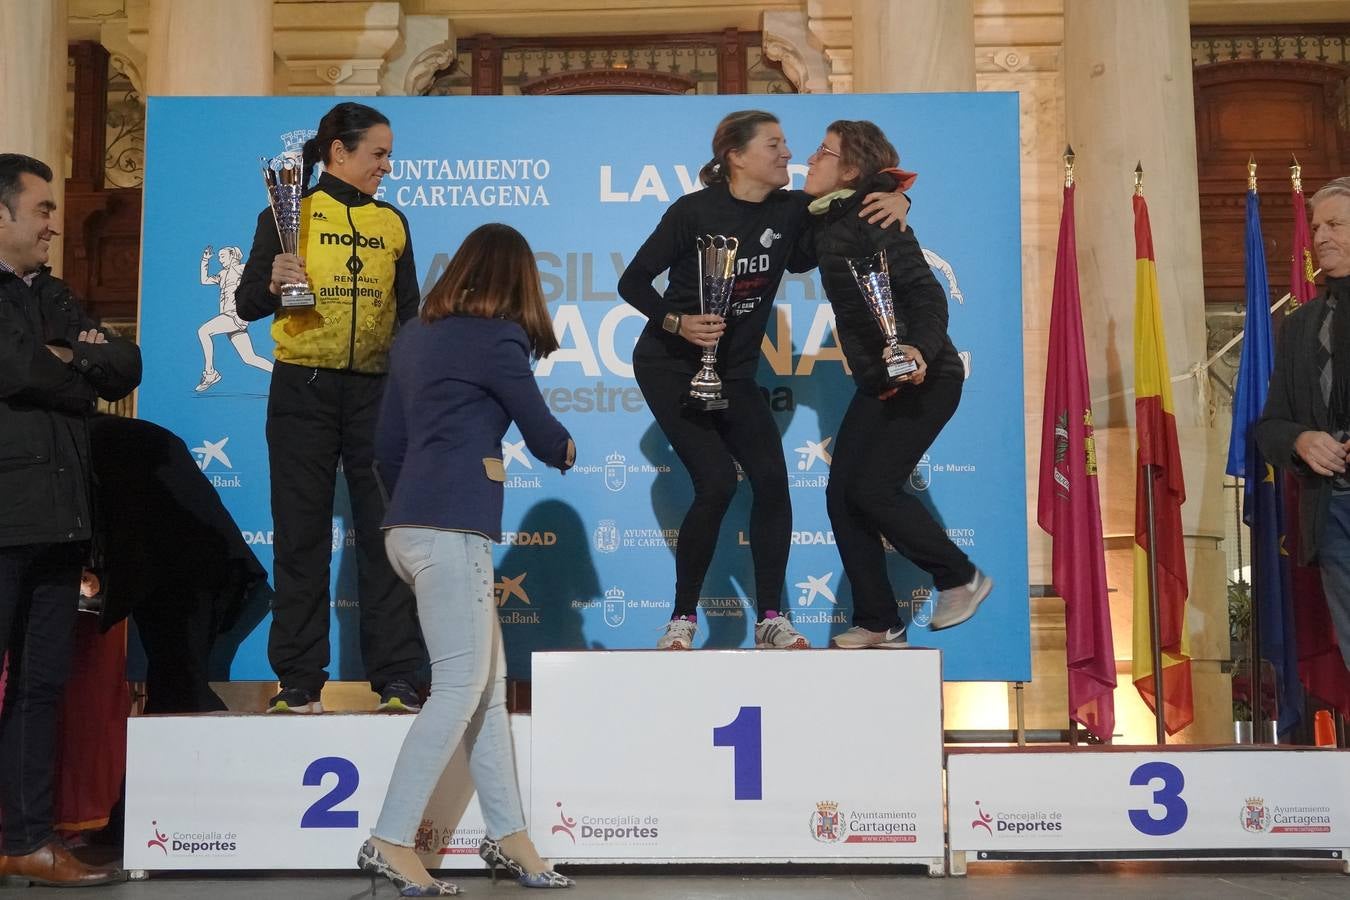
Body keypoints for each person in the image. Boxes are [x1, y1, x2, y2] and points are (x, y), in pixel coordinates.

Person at [617, 109, 908, 651]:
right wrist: (678, 321)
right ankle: (681, 621)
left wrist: (900, 196)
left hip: (736, 373)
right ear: (736, 155)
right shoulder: (692, 211)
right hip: (670, 365)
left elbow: (864, 187)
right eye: (774, 144)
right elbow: (632, 281)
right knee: (718, 483)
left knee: (773, 483)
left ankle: (772, 618)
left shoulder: (793, 210)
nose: (788, 154)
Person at [359, 224, 575, 895]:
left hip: (410, 526)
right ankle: (391, 838)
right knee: (459, 692)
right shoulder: (497, 336)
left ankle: (509, 837)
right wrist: (565, 449)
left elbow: (387, 449)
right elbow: (541, 431)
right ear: (517, 280)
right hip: (453, 528)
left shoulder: (415, 335)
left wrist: (420, 503)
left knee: (484, 693)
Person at [236, 102, 426, 714]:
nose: (387, 166)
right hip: (303, 387)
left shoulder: (393, 222)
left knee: (386, 536)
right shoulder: (288, 214)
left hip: (377, 394)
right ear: (338, 153)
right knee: (300, 534)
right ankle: (297, 680)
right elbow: (244, 304)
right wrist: (271, 281)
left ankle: (397, 678)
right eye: (379, 153)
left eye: (389, 154)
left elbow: (411, 314)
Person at [793, 121, 991, 649]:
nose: (810, 160)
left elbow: (928, 296)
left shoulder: (875, 215)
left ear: (852, 169)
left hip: (925, 376)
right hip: (880, 382)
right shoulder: (826, 216)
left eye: (823, 152)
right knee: (842, 495)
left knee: (872, 489)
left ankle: (958, 576)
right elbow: (790, 252)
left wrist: (919, 351)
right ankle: (880, 620)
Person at [0, 153, 140, 887]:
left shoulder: (52, 294)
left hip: (60, 520)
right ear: (1, 215)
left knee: (40, 685)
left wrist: (67, 358)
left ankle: (25, 839)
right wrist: (72, 365)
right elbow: (15, 368)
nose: (55, 223)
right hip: (3, 515)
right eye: (43, 210)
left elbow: (125, 365)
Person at [1258, 175, 1350, 671]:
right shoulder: (1299, 325)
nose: (1320, 237)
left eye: (1335, 224)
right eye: (1317, 227)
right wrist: (1302, 439)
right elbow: (1270, 425)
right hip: (1331, 513)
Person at [195, 243, 272, 392]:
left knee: (203, 331)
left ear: (233, 257)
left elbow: (261, 272)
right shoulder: (222, 274)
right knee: (249, 357)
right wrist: (205, 260)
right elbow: (204, 280)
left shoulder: (241, 268)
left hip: (235, 315)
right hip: (229, 317)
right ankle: (280, 374)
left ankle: (210, 373)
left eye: (223, 256)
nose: (220, 260)